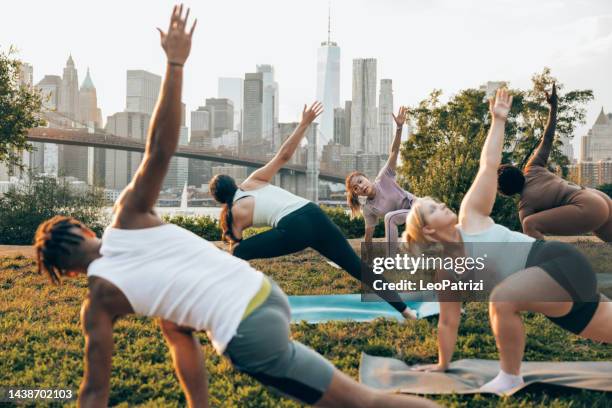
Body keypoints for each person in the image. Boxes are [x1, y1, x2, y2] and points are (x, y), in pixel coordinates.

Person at [33, 8, 438, 408]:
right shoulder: (135, 217)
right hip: (270, 286)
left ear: (66, 272)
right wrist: (175, 63)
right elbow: (163, 149)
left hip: (249, 324)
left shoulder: (101, 302)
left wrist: (238, 246)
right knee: (351, 270)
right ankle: (403, 310)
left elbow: (93, 393)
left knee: (356, 399)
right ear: (85, 230)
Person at [402, 88, 611, 394]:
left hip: (554, 261)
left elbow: (488, 166)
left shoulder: (470, 216)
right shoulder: (447, 274)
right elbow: (448, 322)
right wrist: (442, 364)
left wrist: (498, 120)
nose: (442, 205)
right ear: (428, 231)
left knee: (501, 298)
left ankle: (510, 378)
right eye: (432, 208)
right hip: (556, 294)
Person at [209, 106, 415, 319]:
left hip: (294, 228)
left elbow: (236, 254)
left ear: (220, 200)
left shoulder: (232, 215)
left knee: (239, 254)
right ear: (233, 183)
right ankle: (406, 311)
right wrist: (304, 123)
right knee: (357, 268)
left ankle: (241, 304)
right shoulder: (252, 181)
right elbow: (284, 156)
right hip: (313, 214)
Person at [497, 83, 612, 242]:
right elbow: (548, 138)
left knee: (529, 224)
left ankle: (547, 260)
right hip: (597, 197)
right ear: (517, 170)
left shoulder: (525, 206)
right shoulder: (533, 167)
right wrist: (553, 107)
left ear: (505, 192)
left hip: (588, 208)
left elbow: (528, 235)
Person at [345, 106, 417, 255]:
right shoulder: (369, 209)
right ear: (357, 194)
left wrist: (399, 128)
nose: (360, 186)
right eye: (356, 188)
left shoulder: (384, 176)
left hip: (417, 206)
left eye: (360, 181)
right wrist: (366, 255)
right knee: (390, 218)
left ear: (366, 178)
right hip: (406, 217)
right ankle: (392, 259)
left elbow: (394, 151)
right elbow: (368, 237)